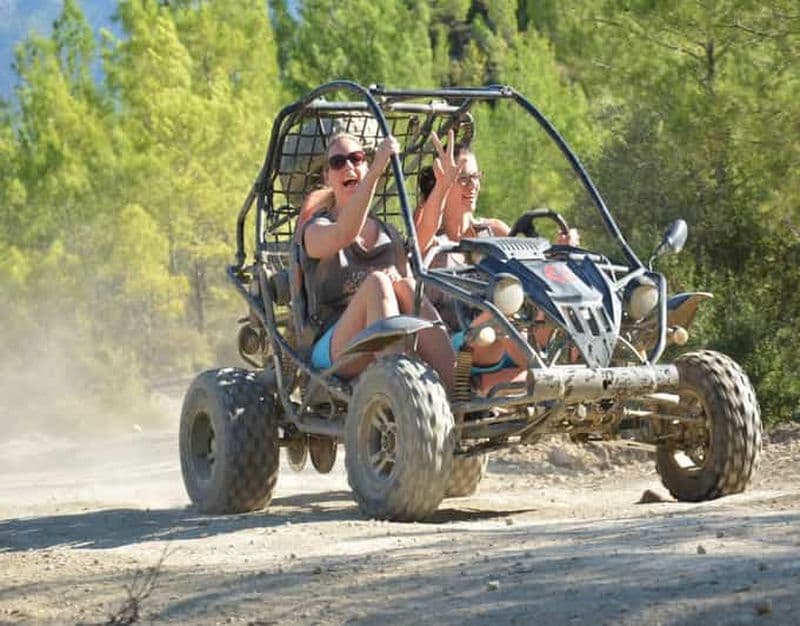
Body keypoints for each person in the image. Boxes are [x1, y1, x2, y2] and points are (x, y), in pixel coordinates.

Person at [413, 132, 580, 392]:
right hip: (460, 345)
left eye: (476, 177)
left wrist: (561, 253)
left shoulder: (495, 231)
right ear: (443, 182)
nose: (473, 186)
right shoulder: (431, 238)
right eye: (463, 179)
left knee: (556, 295)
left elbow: (534, 273)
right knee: (502, 313)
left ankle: (503, 383)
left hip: (509, 338)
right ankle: (548, 379)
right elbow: (421, 236)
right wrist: (443, 186)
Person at [299, 132, 455, 385]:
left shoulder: (387, 233)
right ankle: (400, 389)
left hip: (386, 338)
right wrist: (374, 172)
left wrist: (443, 187)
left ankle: (458, 390)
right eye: (338, 162)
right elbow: (343, 233)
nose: (348, 166)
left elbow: (421, 241)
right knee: (377, 284)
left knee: (407, 286)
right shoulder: (316, 230)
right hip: (332, 346)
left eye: (356, 158)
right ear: (327, 177)